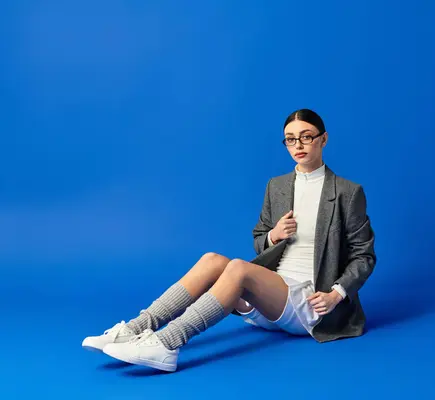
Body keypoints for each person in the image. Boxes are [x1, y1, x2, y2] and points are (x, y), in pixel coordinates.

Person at [81, 108, 376, 372]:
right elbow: (260, 238)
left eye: (306, 137)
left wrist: (336, 294)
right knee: (212, 260)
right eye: (290, 139)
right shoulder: (278, 186)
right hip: (270, 298)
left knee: (238, 268)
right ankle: (136, 328)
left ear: (323, 140)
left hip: (310, 303)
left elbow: (364, 256)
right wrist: (273, 235)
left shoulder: (347, 192)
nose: (297, 145)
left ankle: (167, 344)